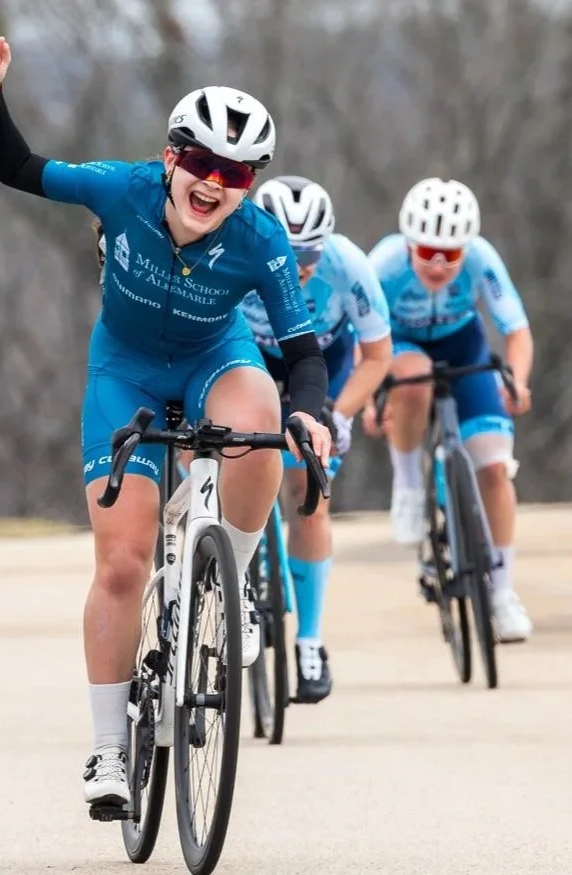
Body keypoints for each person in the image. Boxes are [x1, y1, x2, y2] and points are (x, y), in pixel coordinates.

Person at [0, 35, 333, 811]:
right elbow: (17, 170)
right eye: (201, 163)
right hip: (123, 371)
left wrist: (311, 413)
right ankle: (105, 750)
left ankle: (231, 587)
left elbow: (299, 349)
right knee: (123, 565)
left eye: (235, 174)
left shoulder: (259, 239)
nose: (213, 184)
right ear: (170, 158)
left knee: (262, 423)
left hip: (212, 361)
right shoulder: (121, 190)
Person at [241, 175, 392, 703]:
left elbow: (377, 356)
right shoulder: (234, 256)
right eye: (288, 249)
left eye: (310, 251)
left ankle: (309, 640)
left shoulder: (349, 266)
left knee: (309, 498)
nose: (301, 263)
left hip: (321, 365)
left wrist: (342, 411)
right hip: (253, 359)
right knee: (237, 461)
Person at [365, 177, 533, 643]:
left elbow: (515, 329)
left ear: (466, 249)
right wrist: (372, 397)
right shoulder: (382, 265)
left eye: (451, 255)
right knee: (414, 379)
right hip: (400, 345)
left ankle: (502, 593)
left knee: (495, 469)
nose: (438, 265)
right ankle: (409, 483)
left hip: (464, 345)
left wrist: (516, 381)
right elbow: (361, 340)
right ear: (408, 244)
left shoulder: (482, 259)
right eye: (426, 253)